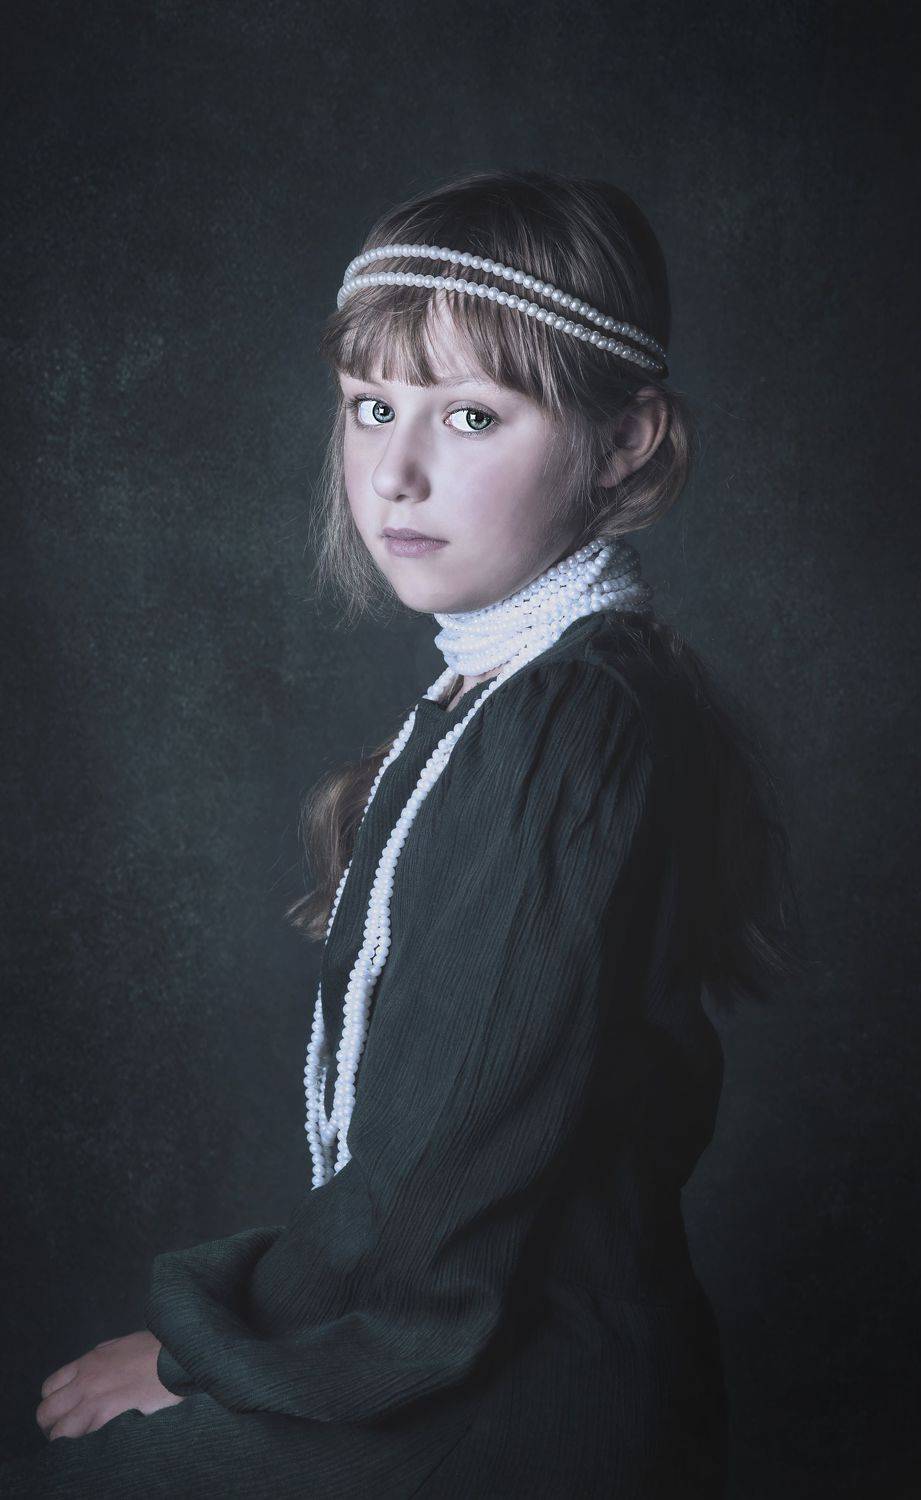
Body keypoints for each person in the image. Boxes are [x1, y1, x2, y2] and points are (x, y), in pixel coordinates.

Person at [2, 168, 802, 1497]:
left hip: (521, 1402)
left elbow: (444, 1181)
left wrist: (208, 1355)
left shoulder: (568, 721)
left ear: (623, 442)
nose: (395, 472)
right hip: (512, 1356)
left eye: (471, 415)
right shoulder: (514, 691)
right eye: (371, 406)